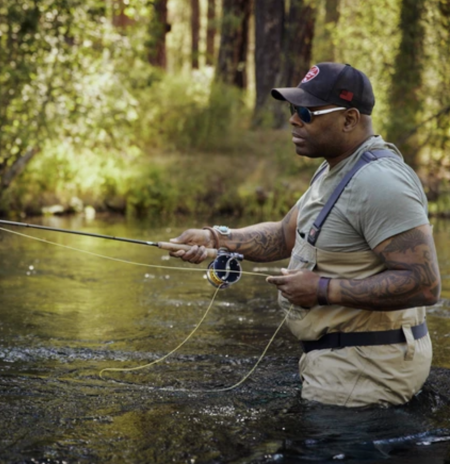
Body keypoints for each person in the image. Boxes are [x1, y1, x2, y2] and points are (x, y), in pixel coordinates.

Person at [169, 62, 441, 407]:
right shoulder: (336, 170)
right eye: (292, 109)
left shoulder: (380, 182)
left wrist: (322, 290)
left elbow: (424, 283)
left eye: (306, 112)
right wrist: (216, 238)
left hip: (364, 378)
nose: (293, 120)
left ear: (349, 119)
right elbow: (285, 235)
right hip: (343, 366)